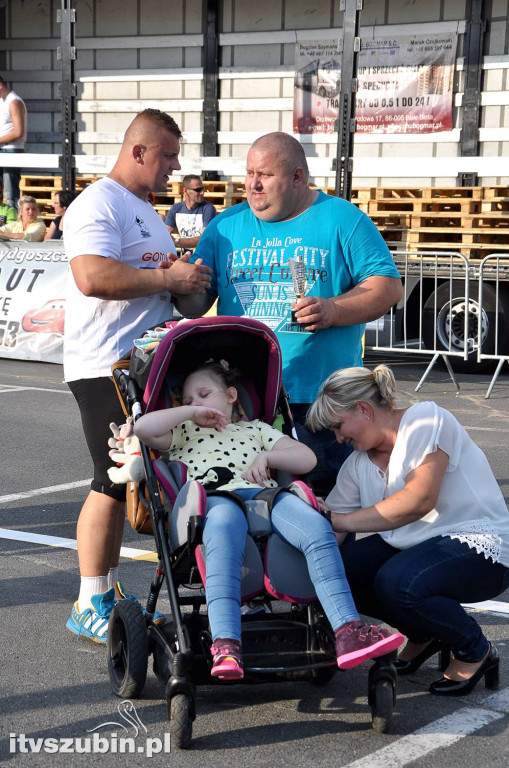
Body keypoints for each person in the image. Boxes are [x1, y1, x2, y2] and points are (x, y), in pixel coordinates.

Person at [134, 358, 404, 680]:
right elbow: (142, 429)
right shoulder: (183, 432)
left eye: (204, 395)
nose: (197, 403)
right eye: (188, 399)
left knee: (318, 527)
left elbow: (307, 458)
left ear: (232, 396)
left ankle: (348, 629)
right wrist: (190, 413)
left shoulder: (256, 430)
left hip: (267, 497)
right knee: (220, 534)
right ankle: (226, 642)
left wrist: (268, 455)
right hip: (216, 497)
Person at [172, 132, 402, 497]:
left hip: (320, 402)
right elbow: (196, 307)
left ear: (297, 177)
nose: (253, 185)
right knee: (248, 507)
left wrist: (332, 310)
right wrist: (180, 286)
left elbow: (388, 288)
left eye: (265, 175)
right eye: (248, 173)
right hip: (244, 401)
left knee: (324, 506)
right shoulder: (225, 226)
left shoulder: (343, 219)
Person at [63, 108, 212, 644]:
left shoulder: (147, 210)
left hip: (147, 366)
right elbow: (91, 276)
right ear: (140, 152)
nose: (175, 167)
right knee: (112, 480)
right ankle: (90, 600)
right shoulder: (98, 203)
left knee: (153, 478)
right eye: (168, 155)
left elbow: (167, 288)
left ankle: (111, 591)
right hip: (105, 365)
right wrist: (163, 276)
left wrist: (185, 284)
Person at [306, 364, 509, 696]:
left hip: (481, 543)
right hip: (421, 546)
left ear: (364, 409)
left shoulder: (427, 419)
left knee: (399, 582)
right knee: (338, 571)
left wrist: (340, 520)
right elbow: (333, 531)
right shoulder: (357, 464)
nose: (338, 438)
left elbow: (418, 500)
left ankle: (475, 649)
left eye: (338, 426)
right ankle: (424, 632)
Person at [165, 174, 217, 250]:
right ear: (185, 191)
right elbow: (166, 232)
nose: (202, 192)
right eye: (198, 190)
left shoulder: (208, 208)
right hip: (184, 254)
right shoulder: (176, 208)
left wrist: (176, 241)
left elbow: (204, 238)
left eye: (203, 189)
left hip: (202, 255)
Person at [0, 77, 26, 208]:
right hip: (3, 149)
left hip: (10, 150)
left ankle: (12, 224)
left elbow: (18, 132)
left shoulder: (14, 102)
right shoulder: (3, 101)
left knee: (10, 193)